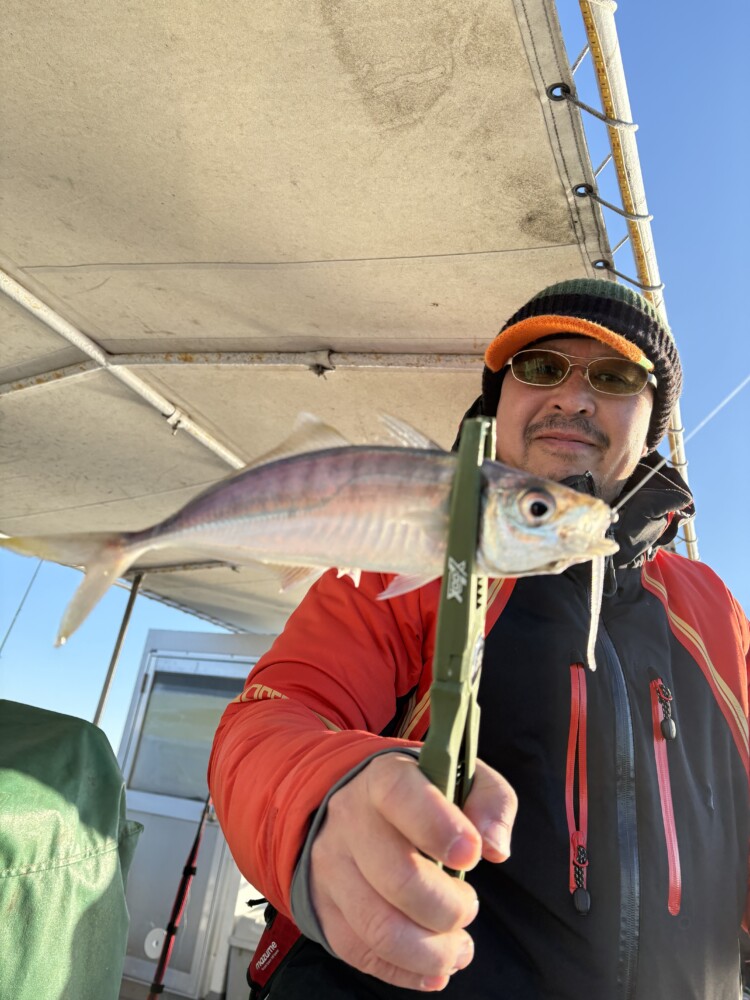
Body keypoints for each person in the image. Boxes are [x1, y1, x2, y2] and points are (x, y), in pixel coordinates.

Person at [208, 279, 749, 999]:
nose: (574, 397)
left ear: (652, 422)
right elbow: (275, 717)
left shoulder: (712, 604)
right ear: (501, 399)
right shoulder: (400, 564)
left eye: (614, 376)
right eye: (541, 368)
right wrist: (324, 796)